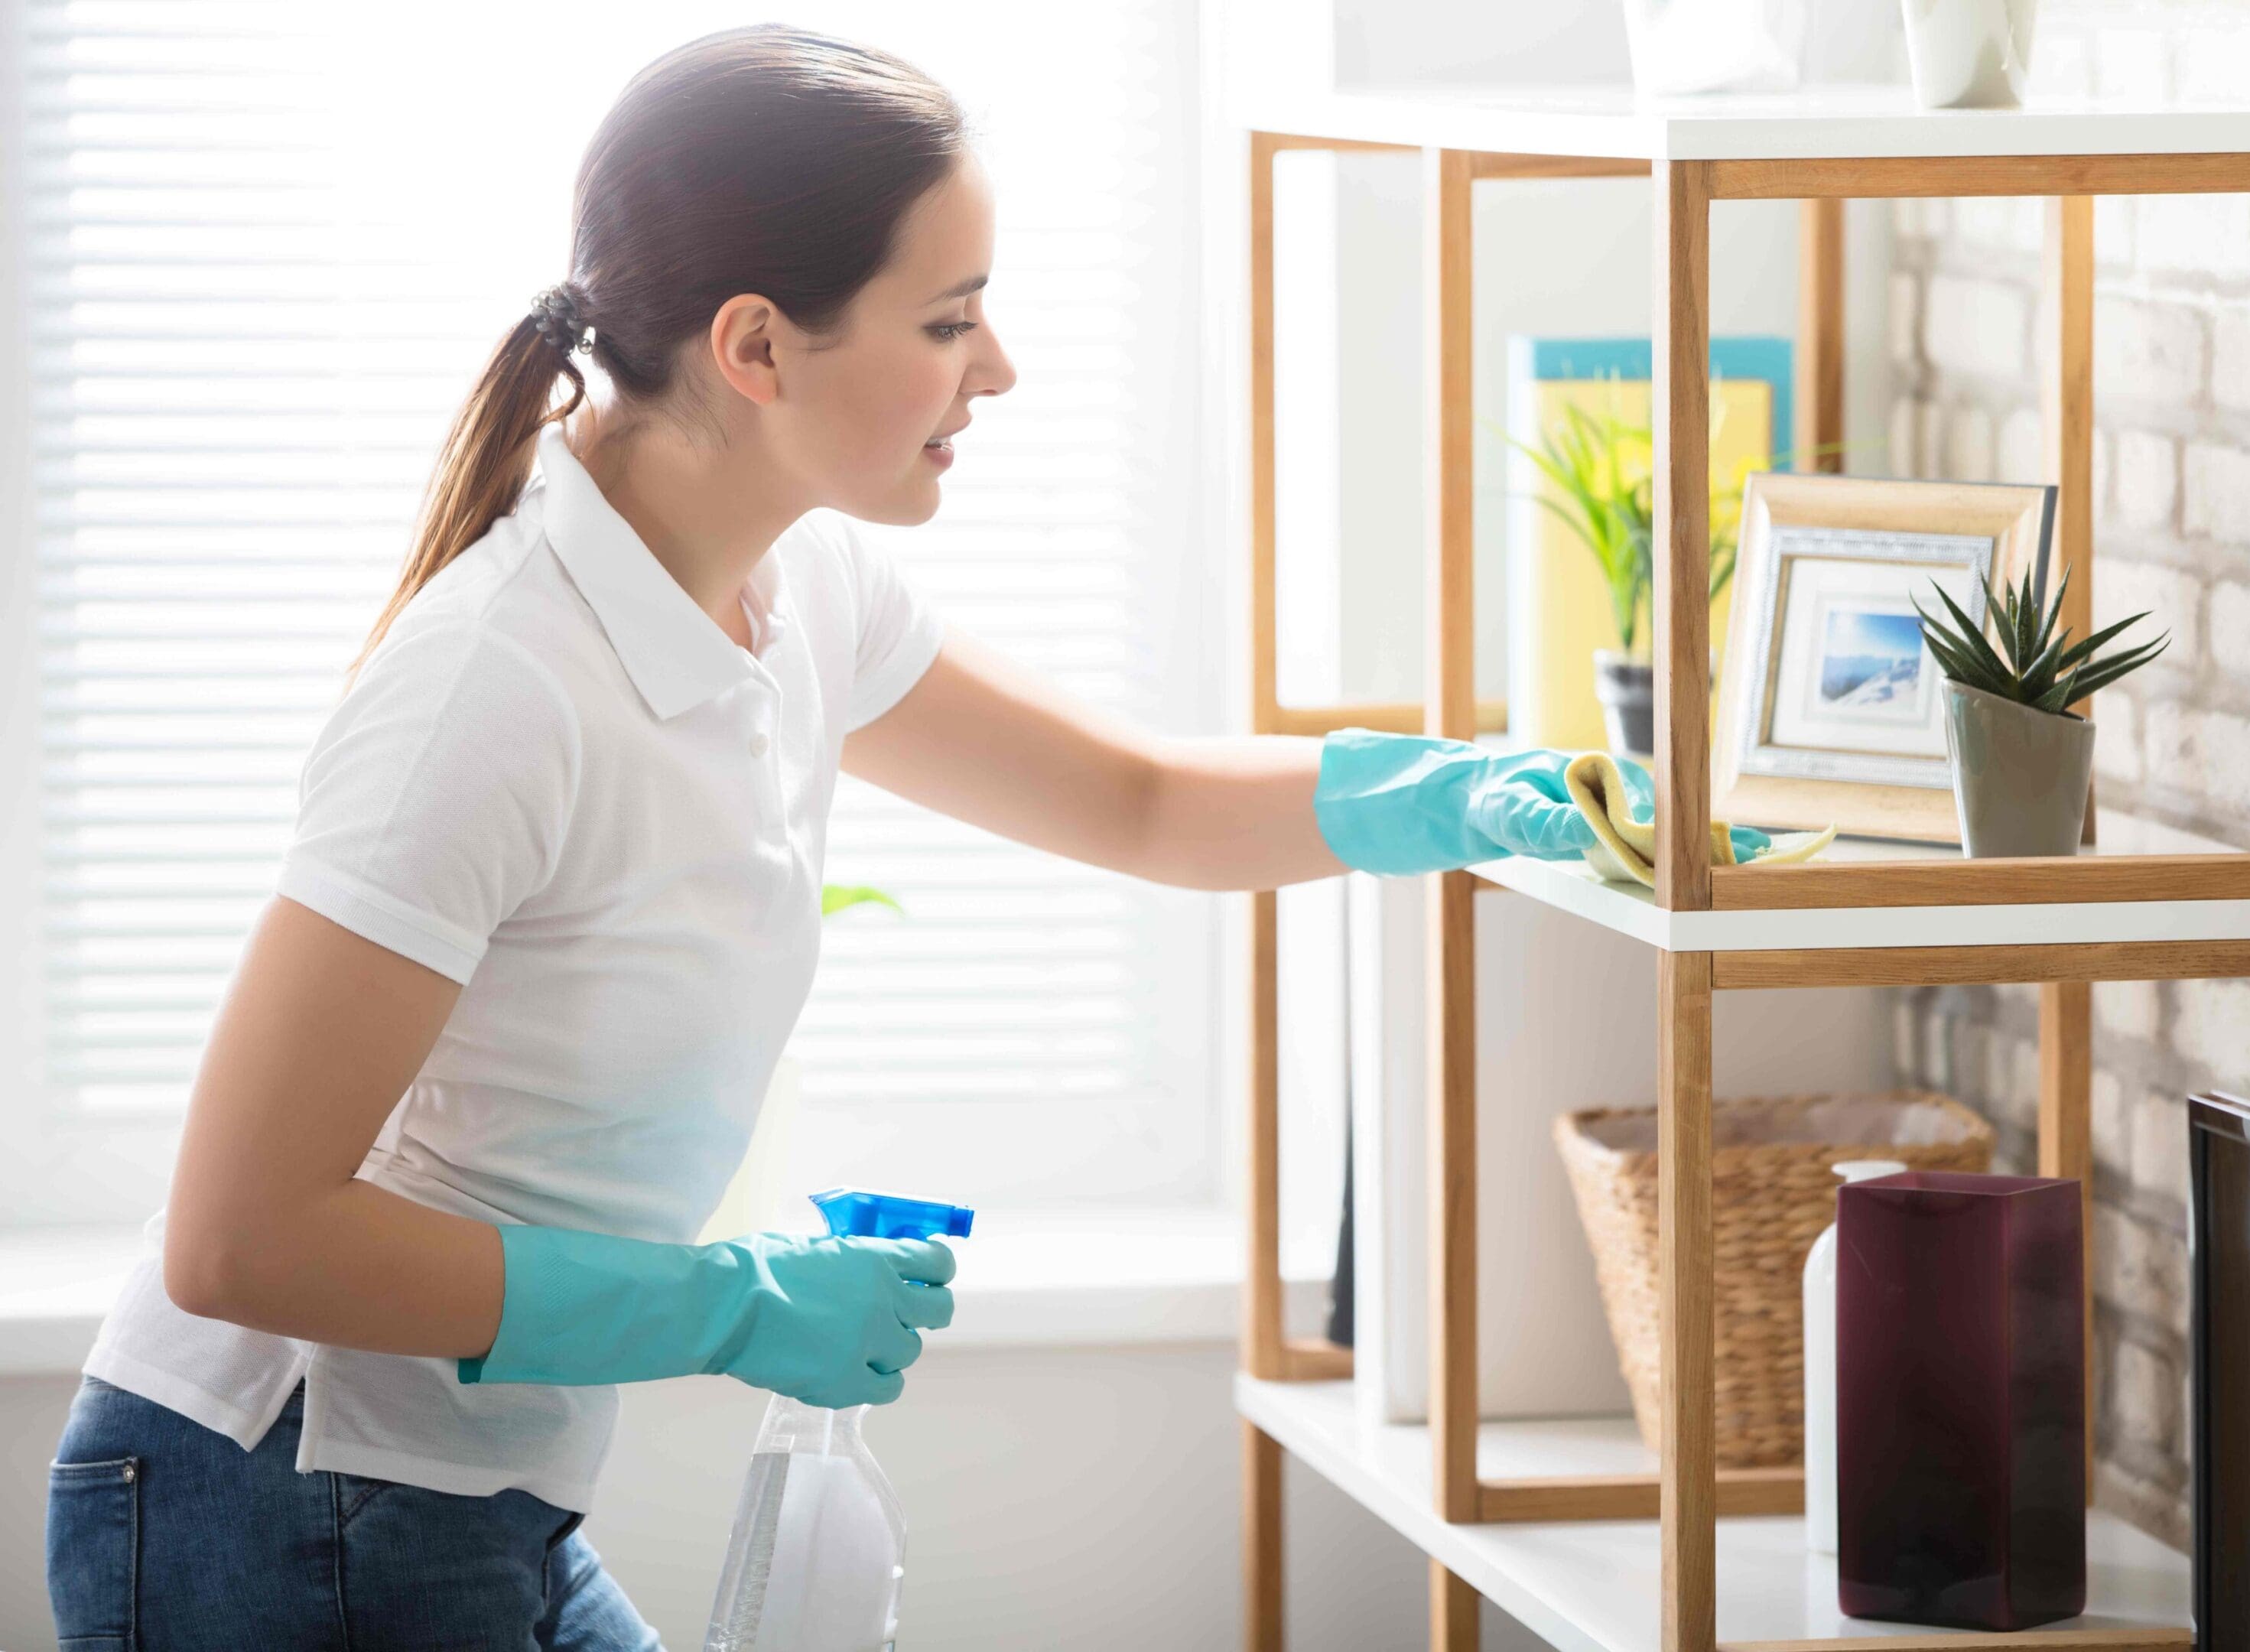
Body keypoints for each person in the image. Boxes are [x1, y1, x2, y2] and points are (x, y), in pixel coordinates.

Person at [44, 25, 1653, 1650]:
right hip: (271, 1501)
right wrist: (728, 1308)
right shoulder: (493, 689)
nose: (1000, 366)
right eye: (949, 320)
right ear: (756, 347)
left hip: (456, 1504)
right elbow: (244, 1234)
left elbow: (1137, 801)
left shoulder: (797, 589)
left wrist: (1450, 792)